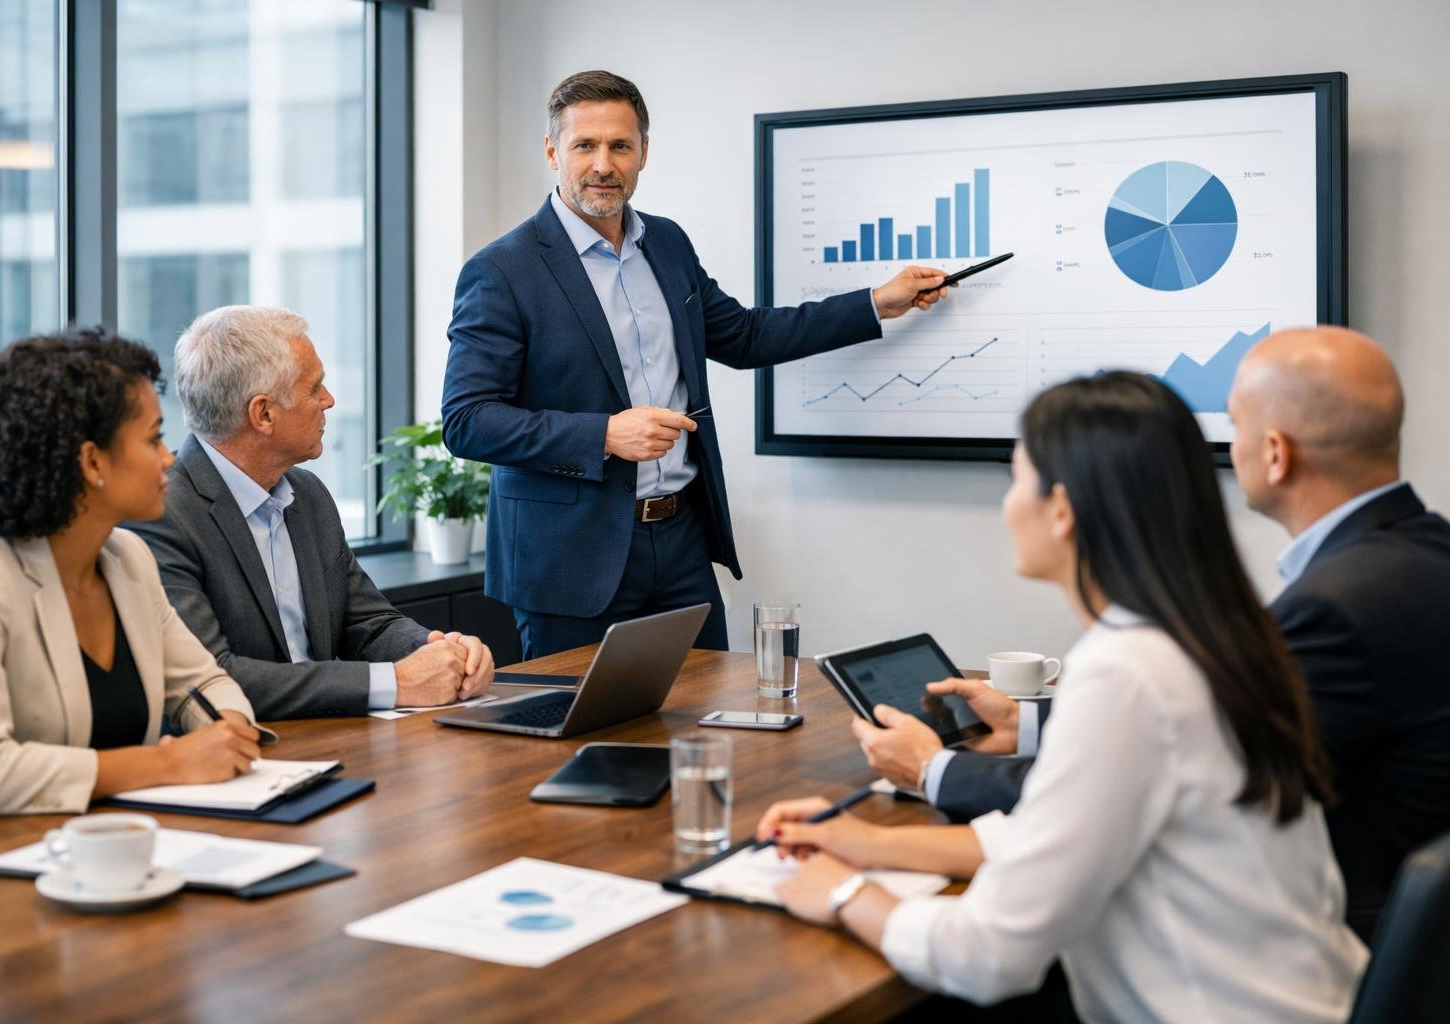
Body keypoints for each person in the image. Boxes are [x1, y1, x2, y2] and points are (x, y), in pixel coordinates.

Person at [757, 372, 1368, 1021]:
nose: (1007, 505)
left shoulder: (1124, 676)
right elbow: (1049, 839)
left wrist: (844, 892)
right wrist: (860, 841)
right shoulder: (1215, 637)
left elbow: (987, 955)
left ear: (1062, 508)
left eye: (1016, 479)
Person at [852, 325, 1450, 943]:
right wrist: (1027, 724)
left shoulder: (1334, 609)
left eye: (1236, 425)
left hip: (1318, 938)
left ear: (1275, 453)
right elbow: (1181, 733)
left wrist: (931, 770)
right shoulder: (1419, 558)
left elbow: (1138, 784)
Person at [442, 70, 949, 658]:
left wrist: (873, 304)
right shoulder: (503, 270)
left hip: (679, 543)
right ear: (553, 151)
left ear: (644, 154)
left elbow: (745, 336)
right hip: (569, 560)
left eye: (620, 146)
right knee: (583, 743)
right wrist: (604, 434)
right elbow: (467, 419)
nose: (603, 163)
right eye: (585, 145)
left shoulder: (667, 243)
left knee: (706, 725)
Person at [0, 330, 262, 823]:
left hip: (111, 849)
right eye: (154, 438)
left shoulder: (128, 559)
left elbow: (204, 683)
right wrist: (166, 762)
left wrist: (228, 730)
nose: (169, 458)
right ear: (92, 460)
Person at [127, 305, 495, 721]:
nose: (329, 400)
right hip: (237, 755)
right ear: (263, 413)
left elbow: (368, 623)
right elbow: (212, 675)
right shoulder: (160, 510)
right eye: (314, 388)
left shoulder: (308, 494)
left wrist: (440, 652)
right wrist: (396, 682)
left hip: (334, 741)